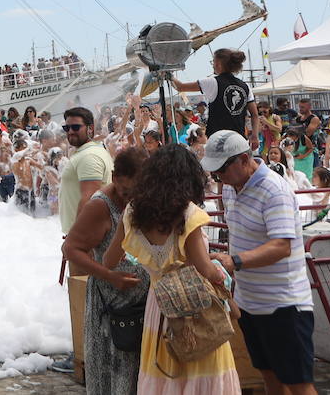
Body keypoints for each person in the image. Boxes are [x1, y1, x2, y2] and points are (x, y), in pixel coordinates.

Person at [104, 145, 240, 395]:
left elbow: (109, 260)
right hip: (194, 307)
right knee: (202, 376)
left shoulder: (133, 212)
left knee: (164, 379)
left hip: (159, 308)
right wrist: (222, 272)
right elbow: (205, 269)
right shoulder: (188, 215)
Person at [203, 131, 316, 395]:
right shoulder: (231, 189)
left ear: (244, 159)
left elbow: (282, 245)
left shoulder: (274, 190)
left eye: (222, 169)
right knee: (269, 376)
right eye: (215, 172)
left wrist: (235, 261)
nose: (219, 177)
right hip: (249, 303)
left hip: (283, 305)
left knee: (298, 384)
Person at [62, 147, 149, 395]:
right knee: (115, 376)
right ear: (114, 178)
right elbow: (70, 248)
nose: (132, 198)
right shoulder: (100, 206)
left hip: (141, 307)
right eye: (126, 191)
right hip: (111, 308)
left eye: (139, 191)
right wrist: (110, 275)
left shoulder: (144, 199)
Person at [172, 48, 255, 141]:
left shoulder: (212, 82)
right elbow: (254, 115)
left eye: (213, 62)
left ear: (218, 64)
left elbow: (180, 87)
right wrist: (255, 136)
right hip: (239, 139)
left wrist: (168, 74)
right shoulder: (245, 86)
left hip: (217, 140)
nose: (213, 66)